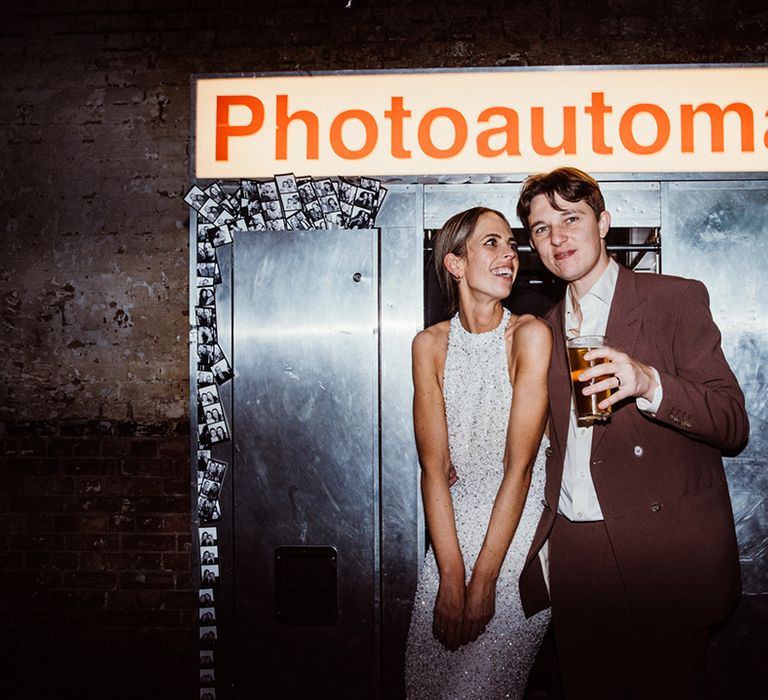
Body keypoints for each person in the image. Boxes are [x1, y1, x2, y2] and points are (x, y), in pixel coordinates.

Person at [515, 167, 749, 699]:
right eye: (540, 228)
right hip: (575, 553)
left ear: (604, 223)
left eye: (570, 219)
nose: (557, 238)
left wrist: (650, 383)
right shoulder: (543, 330)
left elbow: (733, 422)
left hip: (656, 554)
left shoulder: (674, 301)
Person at [405, 207, 552, 698]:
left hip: (515, 541)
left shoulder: (530, 336)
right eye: (492, 243)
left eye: (511, 244)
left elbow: (521, 469)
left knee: (480, 690)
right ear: (456, 263)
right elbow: (432, 469)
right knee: (425, 687)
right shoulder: (429, 346)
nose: (509, 253)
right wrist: (450, 573)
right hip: (448, 538)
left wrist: (485, 576)